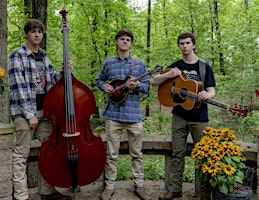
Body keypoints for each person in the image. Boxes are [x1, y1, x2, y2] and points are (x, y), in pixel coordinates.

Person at [8, 19, 73, 200]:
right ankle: (21, 196)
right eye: (33, 31)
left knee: (48, 153)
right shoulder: (17, 55)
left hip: (44, 113)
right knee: (21, 155)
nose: (37, 34)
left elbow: (52, 79)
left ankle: (47, 191)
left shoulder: (43, 57)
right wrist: (29, 115)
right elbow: (18, 88)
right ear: (27, 34)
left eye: (39, 32)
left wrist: (63, 71)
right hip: (24, 114)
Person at [152, 32, 216, 200]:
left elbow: (211, 89)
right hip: (179, 117)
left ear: (193, 44)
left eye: (188, 43)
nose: (185, 46)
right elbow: (154, 81)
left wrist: (207, 95)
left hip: (200, 118)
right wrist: (168, 75)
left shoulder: (204, 67)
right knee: (177, 153)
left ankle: (204, 193)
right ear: (179, 46)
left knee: (202, 155)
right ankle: (175, 190)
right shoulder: (176, 66)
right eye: (181, 43)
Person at [96, 28, 151, 200]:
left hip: (134, 115)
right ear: (117, 42)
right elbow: (99, 80)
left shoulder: (140, 64)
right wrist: (103, 86)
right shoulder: (108, 63)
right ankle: (109, 186)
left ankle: (139, 185)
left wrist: (138, 86)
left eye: (128, 39)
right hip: (113, 115)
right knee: (111, 154)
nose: (125, 41)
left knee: (137, 154)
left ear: (131, 43)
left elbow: (147, 87)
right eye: (122, 39)